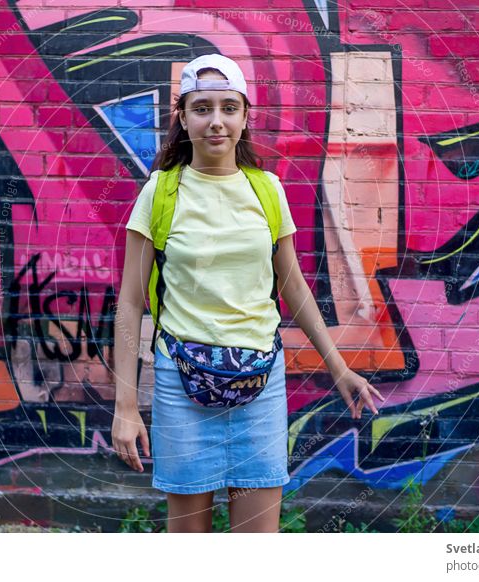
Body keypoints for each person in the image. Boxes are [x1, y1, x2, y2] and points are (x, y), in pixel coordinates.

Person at [112, 53, 385, 533]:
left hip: (260, 381)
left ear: (243, 116)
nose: (216, 121)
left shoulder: (268, 190)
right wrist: (126, 407)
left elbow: (293, 285)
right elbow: (131, 303)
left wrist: (339, 368)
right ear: (182, 116)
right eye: (201, 108)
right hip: (181, 383)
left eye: (228, 108)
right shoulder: (160, 192)